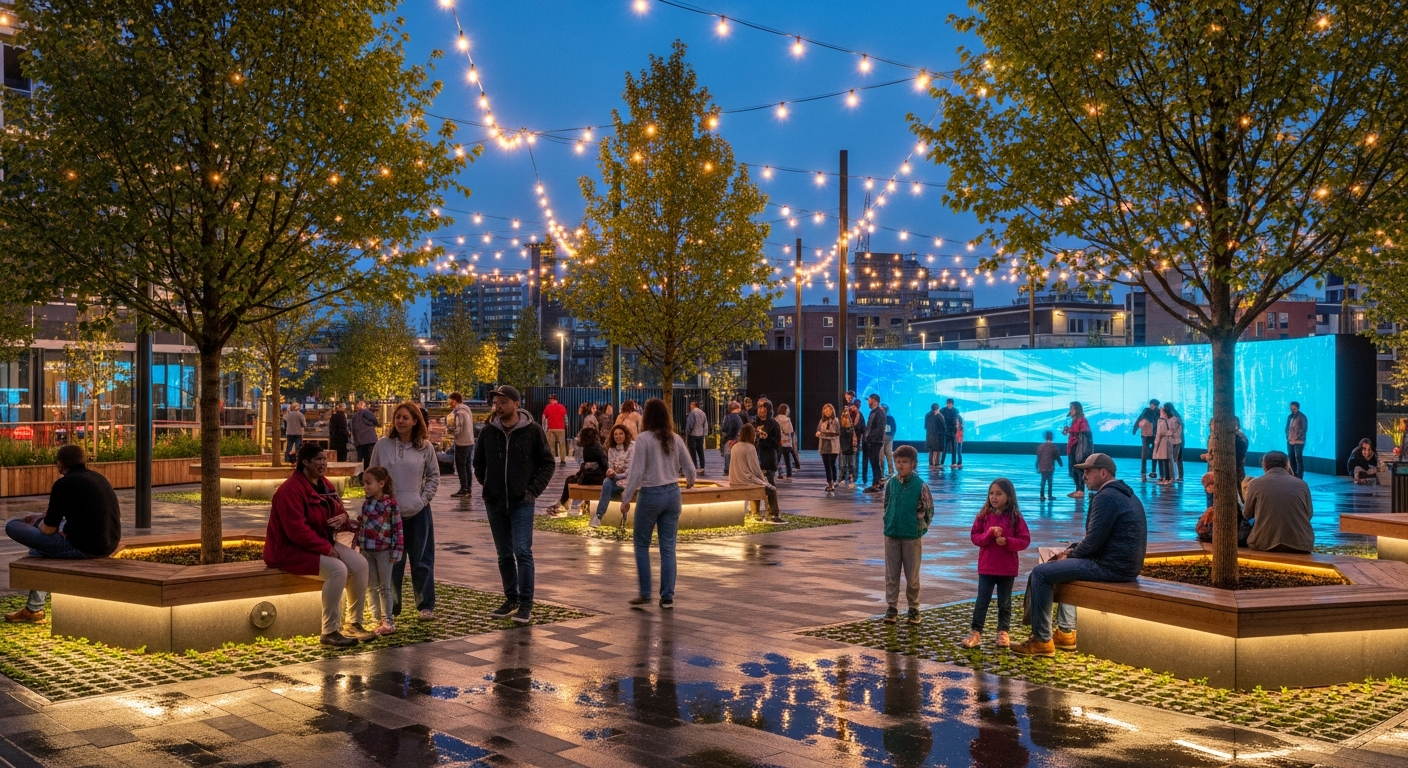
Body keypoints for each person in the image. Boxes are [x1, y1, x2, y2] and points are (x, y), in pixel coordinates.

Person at [1013, 453, 1146, 657]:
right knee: (1061, 565)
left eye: (1088, 471)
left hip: (1111, 567)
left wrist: (1070, 554)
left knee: (1041, 573)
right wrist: (1072, 551)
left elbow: (1092, 542)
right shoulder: (1125, 494)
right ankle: (1065, 633)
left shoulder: (1106, 497)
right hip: (1123, 565)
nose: (1083, 476)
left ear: (1103, 473)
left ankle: (1042, 641)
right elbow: (1099, 538)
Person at [263, 444, 373, 647]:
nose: (323, 463)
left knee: (360, 564)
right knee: (337, 569)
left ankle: (354, 624)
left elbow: (339, 511)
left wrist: (343, 517)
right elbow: (296, 531)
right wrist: (326, 549)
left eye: (324, 459)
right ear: (305, 462)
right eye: (318, 460)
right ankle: (330, 631)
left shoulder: (324, 484)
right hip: (288, 550)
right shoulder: (290, 490)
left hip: (320, 542)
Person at [3, 445, 121, 623]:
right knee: (42, 544)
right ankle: (33, 609)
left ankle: (34, 610)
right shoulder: (99, 478)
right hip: (110, 542)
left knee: (13, 526)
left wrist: (42, 524)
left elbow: (48, 530)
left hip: (81, 547)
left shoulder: (63, 484)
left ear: (60, 464)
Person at [474, 385, 555, 624]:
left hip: (522, 502)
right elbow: (478, 463)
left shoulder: (533, 431)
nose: (498, 407)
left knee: (522, 550)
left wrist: (532, 490)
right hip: (495, 501)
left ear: (516, 404)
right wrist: (488, 484)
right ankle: (511, 598)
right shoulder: (488, 432)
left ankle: (526, 604)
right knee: (504, 554)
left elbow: (547, 463)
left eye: (503, 402)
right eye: (495, 403)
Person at [620, 398, 697, 609]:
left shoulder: (643, 439)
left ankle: (645, 592)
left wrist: (626, 499)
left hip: (650, 495)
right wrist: (690, 481)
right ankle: (667, 596)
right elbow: (690, 468)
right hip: (673, 494)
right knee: (668, 547)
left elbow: (636, 473)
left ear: (647, 416)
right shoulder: (675, 438)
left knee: (641, 544)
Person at [370, 402, 441, 621]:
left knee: (422, 560)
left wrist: (423, 499)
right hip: (389, 514)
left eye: (405, 418)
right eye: (398, 417)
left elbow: (434, 476)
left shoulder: (425, 447)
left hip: (418, 512)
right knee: (392, 562)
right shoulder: (382, 445)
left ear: (415, 421)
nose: (400, 421)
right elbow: (372, 474)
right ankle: (392, 607)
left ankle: (425, 605)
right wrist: (378, 503)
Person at [962, 478, 1031, 649]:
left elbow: (1024, 540)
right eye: (991, 493)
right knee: (982, 600)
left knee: (1005, 602)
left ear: (1009, 496)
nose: (994, 497)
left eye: (999, 494)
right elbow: (975, 537)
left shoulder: (1016, 518)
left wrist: (1007, 541)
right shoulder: (983, 516)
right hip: (987, 567)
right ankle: (976, 631)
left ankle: (1003, 631)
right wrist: (989, 535)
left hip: (1007, 569)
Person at [880, 446, 933, 625]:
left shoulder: (920, 485)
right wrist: (888, 520)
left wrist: (920, 528)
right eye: (898, 462)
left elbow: (929, 510)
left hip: (911, 536)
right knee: (891, 574)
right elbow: (886, 504)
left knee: (912, 575)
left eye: (904, 462)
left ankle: (914, 608)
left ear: (913, 464)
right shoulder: (891, 483)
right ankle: (892, 606)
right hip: (892, 534)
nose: (900, 465)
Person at [353, 467, 403, 637]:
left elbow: (397, 529)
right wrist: (358, 543)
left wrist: (396, 551)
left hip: (384, 551)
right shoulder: (366, 504)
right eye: (364, 483)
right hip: (367, 550)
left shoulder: (391, 505)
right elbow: (363, 525)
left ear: (381, 484)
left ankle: (388, 621)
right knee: (371, 586)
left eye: (369, 483)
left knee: (384, 587)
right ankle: (375, 619)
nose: (365, 487)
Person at [1243, 451, 1315, 553]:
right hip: (1301, 544)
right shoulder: (1302, 484)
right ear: (1287, 465)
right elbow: (1309, 515)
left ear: (1264, 465)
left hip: (1264, 543)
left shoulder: (1255, 483)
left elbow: (1246, 514)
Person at [731, 424, 781, 522]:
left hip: (734, 480)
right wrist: (764, 481)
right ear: (751, 435)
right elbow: (755, 470)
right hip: (745, 481)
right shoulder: (750, 448)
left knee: (758, 484)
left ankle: (755, 513)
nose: (755, 437)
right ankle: (773, 516)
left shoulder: (735, 447)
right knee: (771, 489)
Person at [550, 427, 606, 515]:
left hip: (594, 478)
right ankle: (564, 503)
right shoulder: (596, 446)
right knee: (570, 479)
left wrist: (579, 476)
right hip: (597, 476)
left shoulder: (590, 449)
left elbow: (589, 469)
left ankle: (563, 504)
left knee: (570, 480)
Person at [590, 425, 634, 528]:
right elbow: (611, 466)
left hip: (630, 480)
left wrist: (617, 475)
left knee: (608, 486)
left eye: (621, 434)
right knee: (606, 482)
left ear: (626, 434)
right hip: (616, 480)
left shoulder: (633, 447)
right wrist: (610, 472)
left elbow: (632, 471)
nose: (618, 436)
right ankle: (598, 516)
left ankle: (600, 516)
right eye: (615, 434)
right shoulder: (611, 449)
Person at [1196, 472, 1250, 547]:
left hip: (1229, 535)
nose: (1205, 489)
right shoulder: (1230, 495)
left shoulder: (1217, 501)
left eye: (1205, 486)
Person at [446, 392, 476, 499]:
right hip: (470, 441)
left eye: (451, 400)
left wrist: (450, 430)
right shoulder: (467, 410)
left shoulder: (458, 413)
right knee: (468, 466)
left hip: (462, 442)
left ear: (455, 400)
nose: (450, 402)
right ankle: (468, 488)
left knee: (460, 466)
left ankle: (463, 489)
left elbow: (458, 430)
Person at [1063, 402, 1092, 498]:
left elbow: (1085, 432)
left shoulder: (1082, 420)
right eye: (1070, 408)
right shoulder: (1073, 421)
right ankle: (1077, 489)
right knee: (1074, 469)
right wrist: (1067, 430)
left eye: (1072, 408)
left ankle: (1081, 490)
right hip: (1073, 446)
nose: (1070, 411)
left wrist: (1070, 430)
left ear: (1077, 409)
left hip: (1079, 447)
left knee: (1079, 468)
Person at [863, 394, 888, 493]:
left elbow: (880, 428)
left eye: (869, 400)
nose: (868, 402)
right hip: (871, 441)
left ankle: (876, 484)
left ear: (874, 400)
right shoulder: (873, 412)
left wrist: (869, 436)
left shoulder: (880, 413)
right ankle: (878, 482)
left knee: (875, 462)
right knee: (874, 463)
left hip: (875, 441)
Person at [753, 401, 781, 486]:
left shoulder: (774, 424)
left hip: (769, 457)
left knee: (769, 483)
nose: (761, 410)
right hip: (756, 457)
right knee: (756, 485)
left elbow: (777, 442)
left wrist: (767, 438)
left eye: (764, 407)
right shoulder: (754, 424)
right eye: (759, 407)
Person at [1133, 399, 1161, 480]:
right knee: (1144, 453)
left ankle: (1153, 470)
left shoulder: (1159, 412)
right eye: (1151, 404)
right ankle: (1143, 470)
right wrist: (1135, 429)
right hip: (1145, 435)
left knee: (1154, 453)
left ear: (1157, 405)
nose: (1152, 406)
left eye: (1154, 405)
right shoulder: (1146, 411)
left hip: (1155, 435)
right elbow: (1139, 419)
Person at [817, 404, 841, 493]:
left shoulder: (835, 421)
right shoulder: (822, 421)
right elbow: (819, 430)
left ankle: (833, 481)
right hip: (824, 446)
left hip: (833, 446)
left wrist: (824, 433)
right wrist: (818, 433)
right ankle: (830, 483)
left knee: (832, 464)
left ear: (832, 411)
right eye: (825, 410)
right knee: (827, 465)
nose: (827, 412)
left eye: (829, 410)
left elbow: (837, 433)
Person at [351, 400, 380, 470]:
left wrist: (355, 442)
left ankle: (362, 475)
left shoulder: (354, 417)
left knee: (361, 462)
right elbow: (375, 421)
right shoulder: (366, 412)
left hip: (360, 442)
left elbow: (353, 429)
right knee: (371, 460)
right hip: (370, 440)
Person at [542, 394, 569, 467]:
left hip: (551, 428)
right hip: (561, 428)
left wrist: (544, 427)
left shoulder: (548, 407)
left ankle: (552, 460)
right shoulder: (562, 407)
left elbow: (544, 418)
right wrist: (566, 425)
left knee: (551, 445)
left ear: (551, 399)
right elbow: (566, 417)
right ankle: (562, 460)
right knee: (562, 445)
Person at [1036, 431, 1062, 501]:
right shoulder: (1054, 447)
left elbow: (1038, 458)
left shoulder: (1040, 447)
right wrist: (1060, 464)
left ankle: (1042, 495)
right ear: (1052, 437)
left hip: (1042, 467)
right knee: (1050, 482)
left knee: (1043, 481)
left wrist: (1037, 466)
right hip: (1050, 467)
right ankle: (1049, 495)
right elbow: (1057, 457)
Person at [1162, 403, 1185, 483]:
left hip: (1175, 441)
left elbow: (1171, 431)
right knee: (1178, 459)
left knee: (1173, 459)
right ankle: (1180, 476)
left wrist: (1164, 433)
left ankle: (1173, 476)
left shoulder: (1173, 419)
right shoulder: (1177, 417)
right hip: (1180, 440)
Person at [685, 400, 709, 476]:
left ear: (693, 405)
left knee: (693, 451)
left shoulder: (692, 413)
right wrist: (704, 433)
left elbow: (690, 424)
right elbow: (705, 424)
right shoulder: (703, 413)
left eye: (691, 405)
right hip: (700, 434)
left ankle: (694, 466)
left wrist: (687, 432)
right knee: (700, 451)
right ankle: (702, 466)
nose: (690, 406)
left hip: (692, 434)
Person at [720, 401, 744, 474]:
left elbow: (725, 428)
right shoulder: (737, 417)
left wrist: (727, 437)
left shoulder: (729, 417)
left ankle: (727, 469)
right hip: (735, 438)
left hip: (731, 438)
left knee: (728, 454)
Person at [776, 404, 798, 479]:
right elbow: (789, 431)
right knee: (787, 459)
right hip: (786, 442)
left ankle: (779, 473)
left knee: (778, 459)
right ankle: (789, 474)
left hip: (778, 441)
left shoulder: (776, 418)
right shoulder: (787, 419)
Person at [1286, 402, 1308, 478]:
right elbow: (1287, 427)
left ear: (1297, 408)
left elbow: (1304, 429)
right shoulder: (1290, 417)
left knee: (1298, 458)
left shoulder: (1302, 416)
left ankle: (1300, 475)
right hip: (1290, 440)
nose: (1292, 409)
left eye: (1294, 408)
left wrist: (1297, 436)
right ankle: (1293, 473)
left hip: (1299, 441)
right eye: (1291, 408)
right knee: (1291, 457)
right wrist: (1287, 436)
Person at [1152, 406, 1172, 486]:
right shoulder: (1168, 420)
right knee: (1165, 460)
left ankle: (1165, 478)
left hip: (1162, 442)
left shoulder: (1161, 420)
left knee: (1162, 460)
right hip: (1167, 441)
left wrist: (1156, 443)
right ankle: (1166, 478)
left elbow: (1159, 433)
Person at [839, 411, 859, 489]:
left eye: (847, 417)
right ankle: (843, 479)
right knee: (843, 465)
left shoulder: (851, 428)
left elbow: (854, 438)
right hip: (843, 447)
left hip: (850, 448)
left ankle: (851, 480)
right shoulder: (841, 428)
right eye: (844, 417)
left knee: (851, 465)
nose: (845, 419)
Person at [939, 399, 961, 468]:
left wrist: (956, 430)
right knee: (944, 448)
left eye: (950, 403)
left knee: (954, 448)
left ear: (952, 404)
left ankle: (953, 462)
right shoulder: (942, 410)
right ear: (946, 403)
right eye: (948, 403)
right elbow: (940, 421)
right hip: (945, 432)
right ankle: (942, 462)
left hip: (953, 432)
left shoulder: (955, 411)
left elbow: (957, 420)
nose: (949, 405)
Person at [924, 403, 947, 468]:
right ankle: (936, 463)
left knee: (931, 450)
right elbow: (944, 427)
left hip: (929, 435)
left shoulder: (927, 415)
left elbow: (925, 426)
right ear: (937, 409)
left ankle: (931, 463)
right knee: (937, 449)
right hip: (938, 435)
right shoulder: (939, 416)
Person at [881, 404, 897, 475]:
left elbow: (894, 428)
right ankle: (881, 472)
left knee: (889, 455)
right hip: (881, 439)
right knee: (881, 457)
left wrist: (891, 436)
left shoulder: (890, 418)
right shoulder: (879, 417)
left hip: (888, 439)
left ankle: (891, 471)